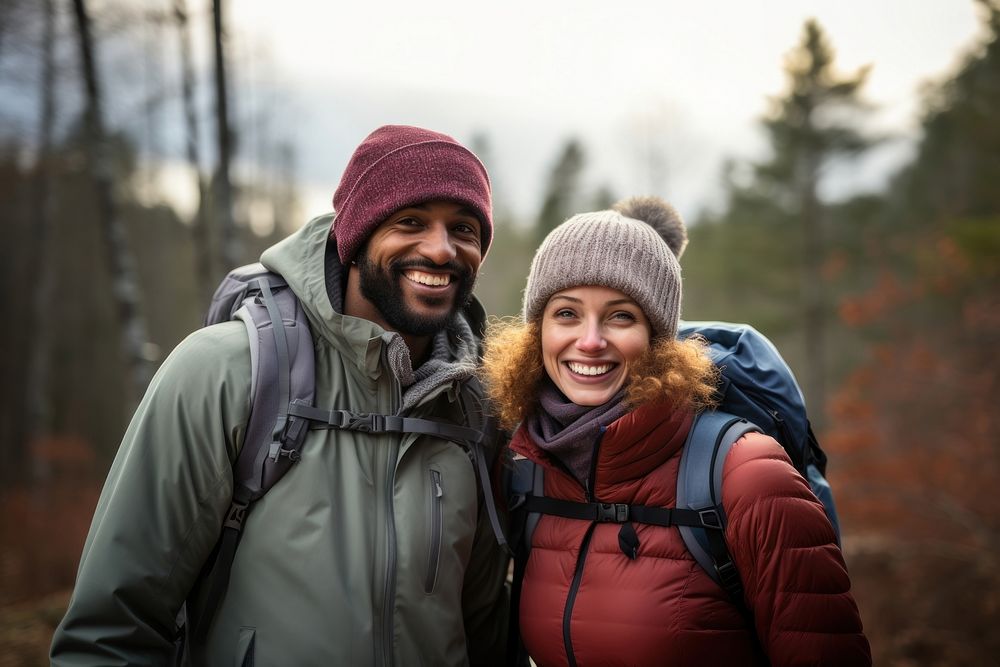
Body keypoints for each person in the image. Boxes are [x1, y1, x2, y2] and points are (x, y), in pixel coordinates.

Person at [51, 125, 510, 666]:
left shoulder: (477, 406)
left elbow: (485, 632)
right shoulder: (224, 371)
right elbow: (109, 629)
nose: (440, 249)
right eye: (410, 222)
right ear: (356, 236)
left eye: (463, 228)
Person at [481, 197, 871, 666]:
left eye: (620, 315)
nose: (589, 340)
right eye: (566, 313)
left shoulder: (747, 475)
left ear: (659, 338)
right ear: (537, 330)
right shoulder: (529, 467)